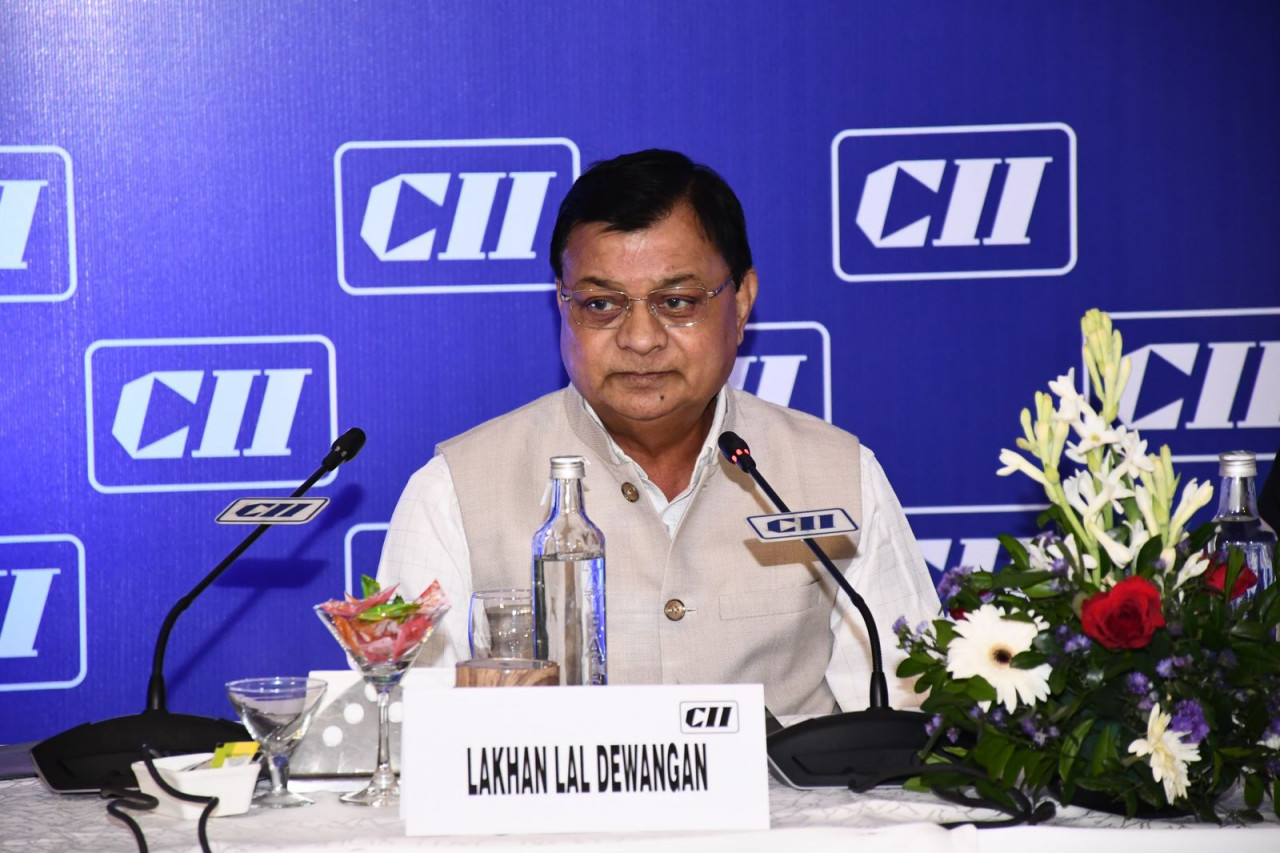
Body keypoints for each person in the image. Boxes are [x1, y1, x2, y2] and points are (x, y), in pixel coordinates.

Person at [377, 149, 940, 715]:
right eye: (601, 304)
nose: (641, 339)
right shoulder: (455, 492)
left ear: (742, 301)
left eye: (676, 302)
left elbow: (914, 716)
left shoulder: (837, 474)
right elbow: (404, 730)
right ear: (563, 306)